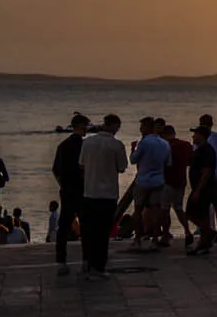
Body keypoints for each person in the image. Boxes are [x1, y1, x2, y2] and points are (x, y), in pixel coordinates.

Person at [78, 115, 128, 276]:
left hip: (89, 192)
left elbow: (82, 164)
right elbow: (122, 167)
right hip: (108, 194)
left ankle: (87, 261)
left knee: (88, 230)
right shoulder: (117, 145)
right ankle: (99, 266)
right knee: (103, 232)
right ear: (114, 126)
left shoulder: (87, 143)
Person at [51, 114, 88, 274]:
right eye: (86, 126)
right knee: (86, 226)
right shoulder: (85, 146)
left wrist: (63, 185)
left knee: (64, 226)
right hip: (82, 190)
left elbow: (56, 170)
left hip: (67, 190)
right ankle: (86, 260)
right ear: (80, 126)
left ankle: (61, 261)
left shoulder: (63, 145)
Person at [129, 118, 170, 247]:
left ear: (148, 127)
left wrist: (133, 149)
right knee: (155, 209)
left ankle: (137, 239)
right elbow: (168, 163)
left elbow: (133, 160)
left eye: (142, 126)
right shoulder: (165, 143)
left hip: (143, 180)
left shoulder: (144, 142)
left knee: (138, 209)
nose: (141, 129)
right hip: (159, 180)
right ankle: (156, 238)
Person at [185, 123, 217, 255]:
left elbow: (206, 171)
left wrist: (198, 190)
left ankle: (209, 233)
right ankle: (205, 241)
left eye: (195, 134)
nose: (193, 136)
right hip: (199, 187)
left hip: (203, 188)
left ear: (202, 136)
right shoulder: (200, 150)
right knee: (202, 214)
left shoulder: (206, 150)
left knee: (191, 213)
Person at [197, 115, 217, 244]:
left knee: (204, 206)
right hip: (216, 176)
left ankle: (208, 231)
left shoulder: (203, 139)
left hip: (207, 178)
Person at [161, 122, 191, 247]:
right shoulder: (185, 145)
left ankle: (165, 235)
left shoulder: (165, 146)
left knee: (165, 209)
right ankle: (187, 231)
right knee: (178, 208)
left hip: (167, 181)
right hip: (181, 181)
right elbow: (190, 161)